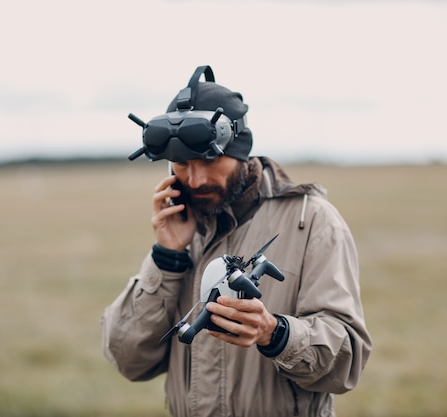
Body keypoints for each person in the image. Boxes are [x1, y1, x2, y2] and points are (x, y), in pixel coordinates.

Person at [101, 65, 372, 417]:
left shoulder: (314, 221)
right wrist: (166, 257)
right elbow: (128, 359)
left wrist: (275, 334)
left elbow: (347, 361)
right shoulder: (182, 229)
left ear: (241, 149)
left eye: (209, 159)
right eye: (181, 164)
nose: (195, 180)